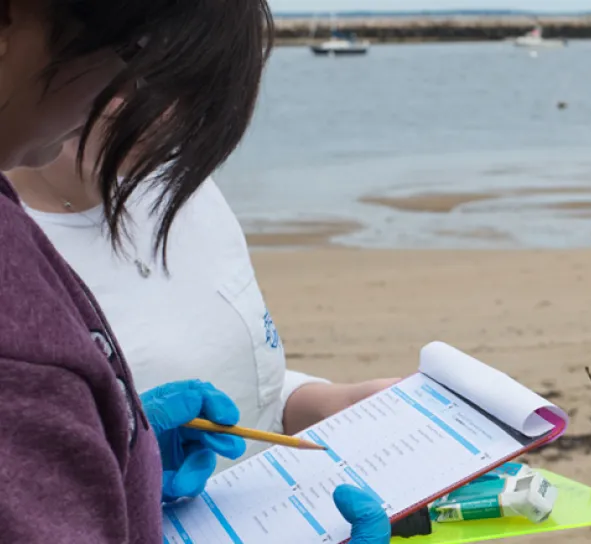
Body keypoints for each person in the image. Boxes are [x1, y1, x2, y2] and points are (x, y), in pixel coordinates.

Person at [0, 0, 388, 542]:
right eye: (133, 69)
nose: (165, 118)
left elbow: (249, 380)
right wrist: (124, 457)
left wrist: (334, 404)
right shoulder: (19, 275)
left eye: (193, 92)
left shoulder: (180, 191)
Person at [7, 134, 401, 467]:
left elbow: (250, 388)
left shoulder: (181, 181)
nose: (173, 110)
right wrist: (130, 477)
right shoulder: (18, 251)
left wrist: (335, 404)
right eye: (137, 62)